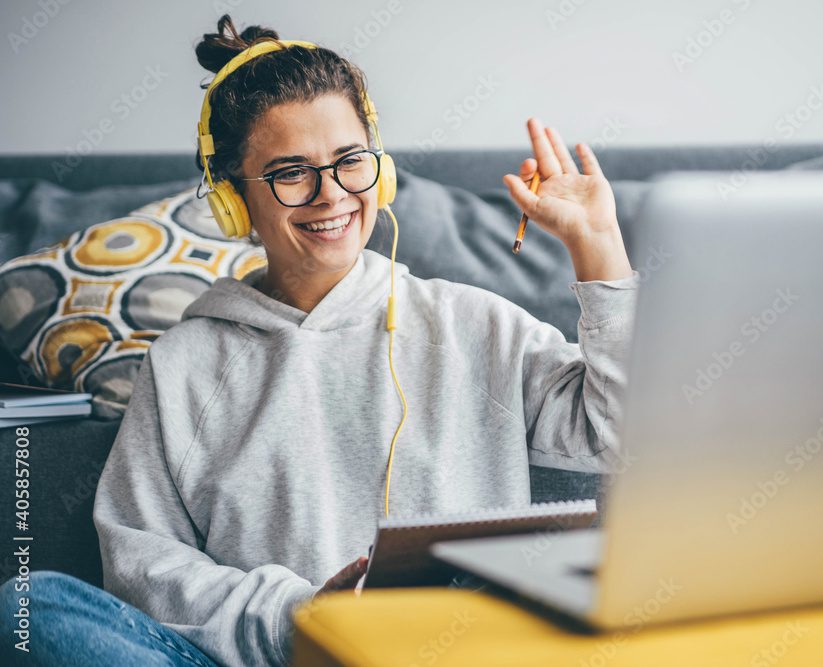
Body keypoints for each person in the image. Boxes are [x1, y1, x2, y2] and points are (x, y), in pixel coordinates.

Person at [0, 14, 638, 667]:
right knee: (31, 606)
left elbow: (620, 432)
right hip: (276, 657)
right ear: (233, 201)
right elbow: (140, 563)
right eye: (291, 172)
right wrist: (301, 617)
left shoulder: (476, 323)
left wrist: (597, 244)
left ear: (380, 170)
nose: (331, 193)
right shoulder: (184, 364)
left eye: (349, 162)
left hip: (450, 653)